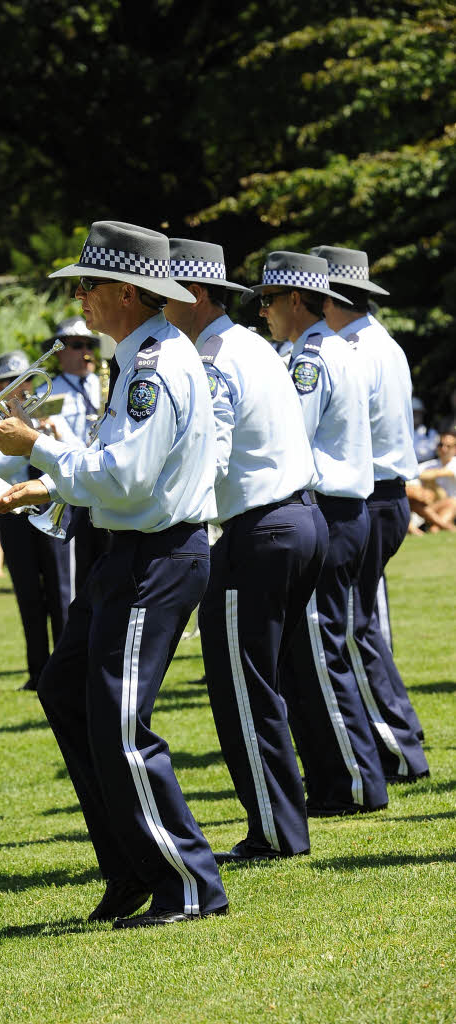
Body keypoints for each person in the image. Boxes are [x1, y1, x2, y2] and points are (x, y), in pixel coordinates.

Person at [0, 221, 228, 928]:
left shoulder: (154, 367)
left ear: (124, 290)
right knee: (64, 690)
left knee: (120, 724)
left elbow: (123, 476)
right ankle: (130, 869)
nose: (79, 300)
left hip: (157, 556)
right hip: (131, 553)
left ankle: (187, 882)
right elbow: (115, 469)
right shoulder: (140, 356)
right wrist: (43, 477)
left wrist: (38, 447)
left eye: (87, 286)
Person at [165, 240, 328, 861]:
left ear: (198, 295)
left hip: (259, 529)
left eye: (168, 295)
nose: (160, 307)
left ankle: (276, 831)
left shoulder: (212, 358)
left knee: (242, 688)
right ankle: (283, 821)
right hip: (298, 519)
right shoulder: (253, 345)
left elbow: (213, 453)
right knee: (263, 682)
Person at [242, 250, 389, 818]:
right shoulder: (328, 350)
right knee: (312, 655)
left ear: (297, 300)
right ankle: (335, 777)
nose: (263, 313)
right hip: (339, 511)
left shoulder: (311, 360)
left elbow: (289, 434)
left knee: (320, 657)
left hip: (330, 508)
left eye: (269, 301)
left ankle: (354, 780)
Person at [313, 246, 429, 782]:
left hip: (371, 494)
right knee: (363, 625)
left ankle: (397, 746)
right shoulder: (378, 341)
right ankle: (393, 735)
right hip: (385, 494)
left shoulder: (352, 349)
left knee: (354, 630)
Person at [0, 350, 72, 690]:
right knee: (28, 593)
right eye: (9, 383)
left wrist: (47, 438)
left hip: (53, 504)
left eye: (24, 381)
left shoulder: (52, 409)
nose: (18, 388)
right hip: (14, 510)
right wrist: (27, 441)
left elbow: (77, 453)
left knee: (62, 590)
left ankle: (64, 669)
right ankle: (37, 672)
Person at [40, 317, 111, 591]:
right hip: (74, 487)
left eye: (91, 345)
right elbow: (51, 444)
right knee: (80, 574)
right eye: (78, 345)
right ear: (59, 351)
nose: (87, 353)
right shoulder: (46, 392)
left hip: (105, 485)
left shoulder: (107, 384)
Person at [418, 430, 456, 529]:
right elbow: (414, 474)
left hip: (451, 507)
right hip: (432, 506)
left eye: (448, 446)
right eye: (441, 445)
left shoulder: (454, 464)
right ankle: (445, 528)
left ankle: (435, 528)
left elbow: (442, 472)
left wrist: (429, 476)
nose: (443, 449)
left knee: (452, 502)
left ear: (455, 449)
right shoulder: (430, 464)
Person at [412, 397, 439, 463]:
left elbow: (430, 453)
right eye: (413, 412)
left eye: (418, 413)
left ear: (422, 414)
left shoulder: (432, 433)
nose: (415, 415)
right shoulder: (402, 433)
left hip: (427, 469)